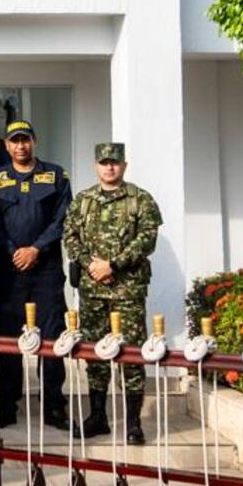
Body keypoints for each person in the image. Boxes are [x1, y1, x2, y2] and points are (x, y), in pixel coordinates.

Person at [63, 142, 162, 445]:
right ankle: (97, 417)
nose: (110, 167)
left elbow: (147, 240)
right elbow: (70, 236)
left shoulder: (140, 199)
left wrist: (112, 265)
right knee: (94, 354)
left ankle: (133, 422)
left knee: (131, 355)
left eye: (115, 163)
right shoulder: (83, 200)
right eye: (104, 162)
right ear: (96, 165)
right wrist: (89, 265)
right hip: (93, 291)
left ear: (124, 166)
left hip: (127, 290)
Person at [0, 120, 72, 429]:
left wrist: (36, 249)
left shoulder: (56, 175)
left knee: (51, 337)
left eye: (25, 140)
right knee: (9, 338)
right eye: (14, 141)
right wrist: (14, 251)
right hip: (11, 270)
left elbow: (63, 219)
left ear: (34, 142)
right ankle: (8, 404)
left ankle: (53, 405)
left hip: (46, 268)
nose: (20, 146)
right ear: (7, 146)